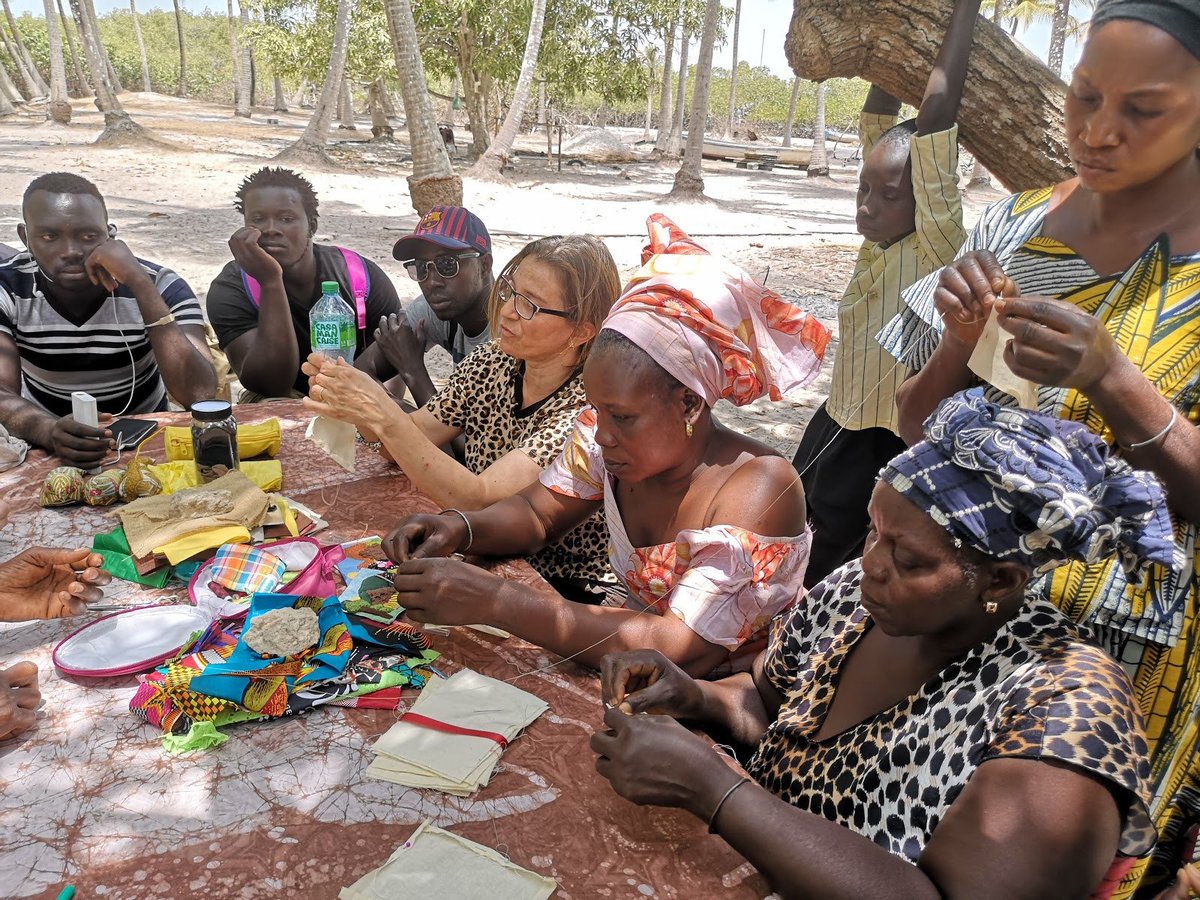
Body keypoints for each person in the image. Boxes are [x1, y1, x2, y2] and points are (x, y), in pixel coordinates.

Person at [592, 393, 1168, 899]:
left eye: (908, 559)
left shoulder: (1070, 708)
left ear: (1000, 582)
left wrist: (720, 793)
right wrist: (693, 696)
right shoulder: (856, 598)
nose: (870, 565)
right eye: (873, 531)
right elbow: (766, 703)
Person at [876, 2, 1200, 893]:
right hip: (961, 616)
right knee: (905, 842)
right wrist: (957, 339)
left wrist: (1113, 379)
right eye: (1085, 95)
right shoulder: (1016, 226)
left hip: (1123, 652)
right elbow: (917, 430)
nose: (1097, 131)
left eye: (1144, 108)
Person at [378, 215, 829, 675]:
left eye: (624, 417)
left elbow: (679, 646)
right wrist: (457, 527)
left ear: (690, 405)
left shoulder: (755, 488)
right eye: (597, 408)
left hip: (724, 694)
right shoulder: (606, 439)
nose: (603, 431)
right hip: (622, 653)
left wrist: (497, 600)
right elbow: (537, 515)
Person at [303, 234, 620, 603]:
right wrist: (355, 402)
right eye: (508, 293)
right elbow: (406, 443)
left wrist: (382, 412)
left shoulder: (587, 409)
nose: (507, 312)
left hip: (565, 583)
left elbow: (481, 502)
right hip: (485, 551)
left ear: (582, 330)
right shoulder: (493, 361)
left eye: (530, 305)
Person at [791, 0, 980, 587]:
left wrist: (964, 11)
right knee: (792, 529)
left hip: (880, 439)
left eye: (887, 194)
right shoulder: (880, 241)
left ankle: (794, 659)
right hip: (835, 420)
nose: (868, 206)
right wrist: (885, 33)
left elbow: (934, 121)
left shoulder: (934, 244)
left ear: (925, 195)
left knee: (832, 562)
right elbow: (881, 118)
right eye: (862, 190)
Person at [0, 173, 217, 467]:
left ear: (110, 236)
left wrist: (140, 284)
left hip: (146, 444)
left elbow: (200, 394)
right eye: (49, 236)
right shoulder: (8, 287)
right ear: (26, 238)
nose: (71, 252)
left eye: (88, 236)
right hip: (47, 445)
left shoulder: (162, 285)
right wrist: (49, 430)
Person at [206, 167, 403, 402]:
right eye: (258, 219)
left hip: (359, 390)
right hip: (280, 400)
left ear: (312, 225)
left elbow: (396, 355)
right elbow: (272, 385)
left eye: (286, 219)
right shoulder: (232, 287)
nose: (270, 229)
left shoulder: (359, 276)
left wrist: (385, 409)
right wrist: (270, 282)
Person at [378, 205, 495, 409]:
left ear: (484, 265)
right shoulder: (436, 309)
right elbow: (359, 373)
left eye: (447, 264)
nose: (432, 282)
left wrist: (413, 370)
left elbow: (477, 440)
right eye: (422, 268)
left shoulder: (513, 330)